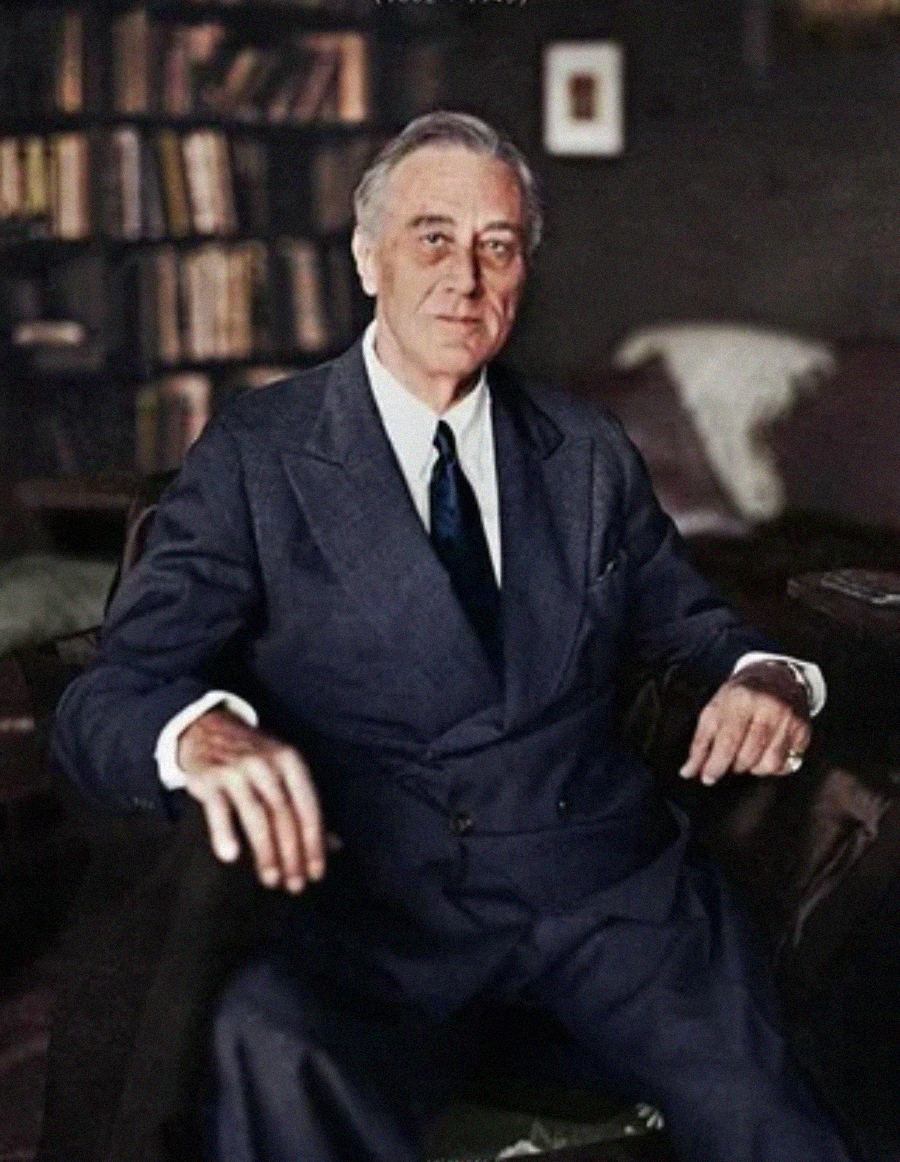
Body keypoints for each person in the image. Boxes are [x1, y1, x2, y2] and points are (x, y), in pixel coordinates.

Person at [53, 112, 854, 1162]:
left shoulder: (586, 451)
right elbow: (106, 699)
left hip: (611, 902)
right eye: (433, 237)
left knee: (791, 1115)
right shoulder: (259, 453)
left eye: (497, 245)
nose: (465, 278)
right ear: (365, 255)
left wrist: (770, 679)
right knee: (272, 1049)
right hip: (377, 913)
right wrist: (199, 735)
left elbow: (695, 622)